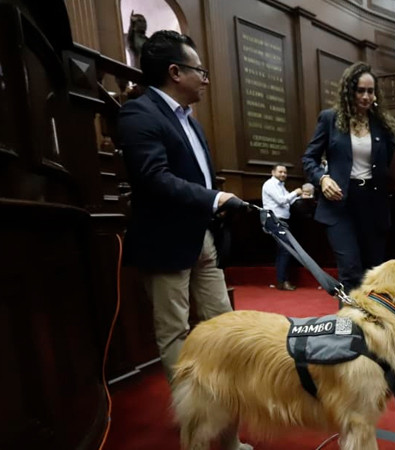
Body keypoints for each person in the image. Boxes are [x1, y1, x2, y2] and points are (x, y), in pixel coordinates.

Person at [117, 31, 252, 448]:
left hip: (202, 239)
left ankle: (228, 435)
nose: (206, 79)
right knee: (176, 336)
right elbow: (154, 178)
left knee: (225, 330)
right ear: (175, 72)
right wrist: (213, 197)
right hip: (163, 244)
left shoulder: (188, 119)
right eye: (200, 71)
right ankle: (197, 429)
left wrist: (214, 204)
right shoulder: (139, 114)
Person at [302, 62, 395, 292]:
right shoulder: (330, 119)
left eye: (370, 91)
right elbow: (309, 158)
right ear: (349, 91)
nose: (366, 97)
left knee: (372, 274)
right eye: (360, 91)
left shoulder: (382, 125)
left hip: (373, 204)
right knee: (350, 271)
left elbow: (393, 164)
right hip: (340, 204)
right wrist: (322, 179)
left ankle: (368, 317)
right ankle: (348, 316)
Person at [261, 164, 302, 291]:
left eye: (285, 172)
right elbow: (281, 200)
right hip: (274, 220)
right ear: (273, 172)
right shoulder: (270, 184)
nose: (283, 174)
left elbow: (289, 200)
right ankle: (283, 281)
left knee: (283, 250)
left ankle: (281, 281)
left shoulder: (280, 185)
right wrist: (295, 192)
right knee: (285, 249)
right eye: (280, 172)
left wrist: (301, 196)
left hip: (281, 220)